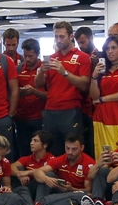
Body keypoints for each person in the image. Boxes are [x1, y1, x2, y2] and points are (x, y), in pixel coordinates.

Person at [36, 21, 91, 155]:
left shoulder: (82, 57)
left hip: (70, 110)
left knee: (73, 149)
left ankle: (74, 175)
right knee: (52, 150)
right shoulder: (53, 58)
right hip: (50, 110)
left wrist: (64, 72)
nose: (58, 40)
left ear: (71, 36)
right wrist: (41, 71)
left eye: (62, 37)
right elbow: (38, 84)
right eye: (56, 37)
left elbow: (84, 85)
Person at [31, 133, 104, 205]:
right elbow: (37, 172)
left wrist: (71, 189)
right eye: (67, 148)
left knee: (84, 197)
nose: (70, 152)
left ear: (82, 148)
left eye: (74, 149)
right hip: (60, 194)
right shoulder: (62, 158)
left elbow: (88, 190)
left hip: (75, 195)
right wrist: (46, 179)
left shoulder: (88, 163)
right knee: (47, 175)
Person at [14, 39, 46, 161]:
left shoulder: (44, 69)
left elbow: (50, 95)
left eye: (31, 56)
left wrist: (34, 91)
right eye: (25, 56)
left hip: (39, 117)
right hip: (21, 117)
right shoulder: (18, 69)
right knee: (23, 149)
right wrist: (19, 93)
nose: (27, 59)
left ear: (37, 53)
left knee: (40, 149)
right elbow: (12, 91)